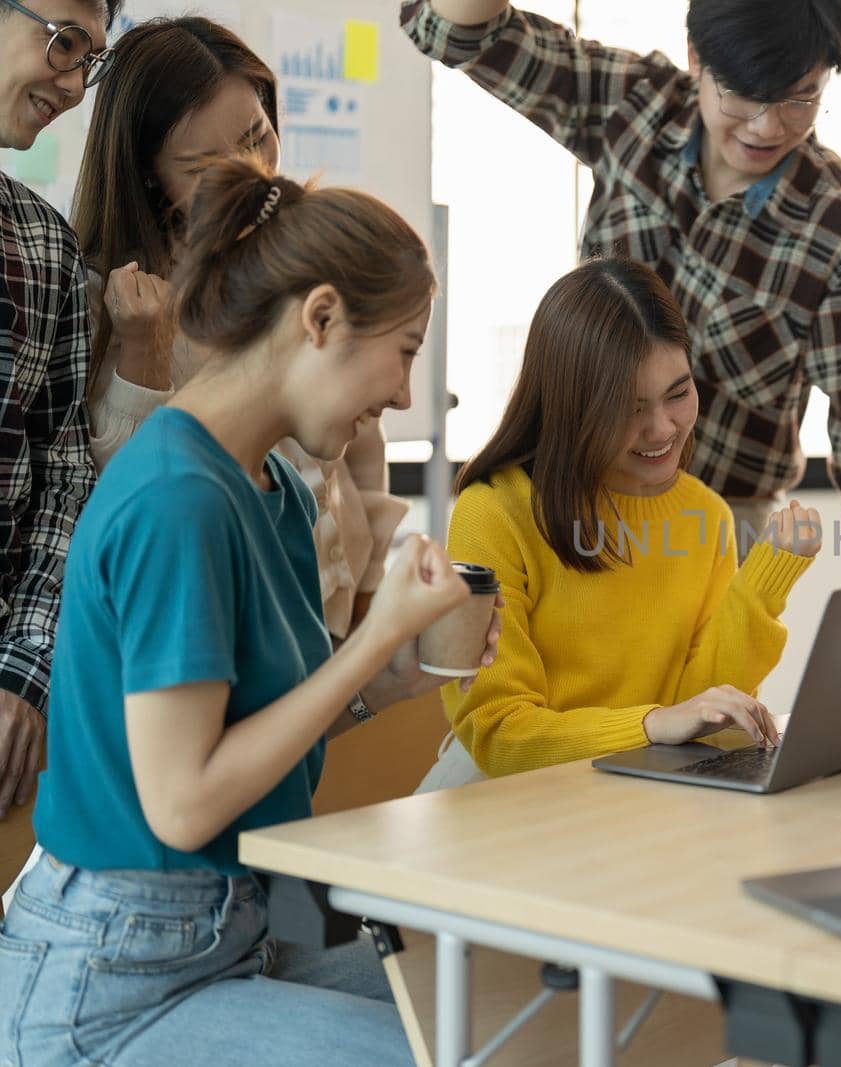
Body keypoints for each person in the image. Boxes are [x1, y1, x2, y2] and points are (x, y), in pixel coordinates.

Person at [0, 156, 497, 1065]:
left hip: (232, 928)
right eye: (406, 350)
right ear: (319, 318)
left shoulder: (268, 488)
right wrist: (376, 632)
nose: (401, 393)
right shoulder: (175, 499)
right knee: (437, 1050)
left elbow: (250, 735)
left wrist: (389, 678)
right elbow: (186, 803)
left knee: (497, 1009)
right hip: (113, 983)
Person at [402, 0, 841, 696]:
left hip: (712, 527)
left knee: (702, 742)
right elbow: (458, 31)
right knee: (542, 724)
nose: (768, 126)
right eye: (745, 96)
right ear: (697, 58)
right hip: (576, 498)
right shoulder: (634, 105)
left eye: (800, 98)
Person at [418, 256, 820, 791]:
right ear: (571, 407)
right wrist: (651, 724)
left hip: (637, 790)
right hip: (506, 794)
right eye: (627, 408)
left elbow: (703, 712)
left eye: (677, 393)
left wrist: (768, 579)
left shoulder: (704, 513)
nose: (661, 430)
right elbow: (499, 733)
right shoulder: (495, 511)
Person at [72, 16, 408, 640]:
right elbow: (127, 501)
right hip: (229, 629)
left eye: (259, 135)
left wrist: (370, 584)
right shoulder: (116, 297)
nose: (253, 175)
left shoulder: (305, 253)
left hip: (331, 604)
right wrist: (143, 347)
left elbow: (363, 435)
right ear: (148, 173)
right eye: (207, 168)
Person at [0, 0, 115, 822]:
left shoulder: (44, 248)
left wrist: (23, 669)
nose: (72, 84)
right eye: (63, 44)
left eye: (90, 60)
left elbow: (64, 477)